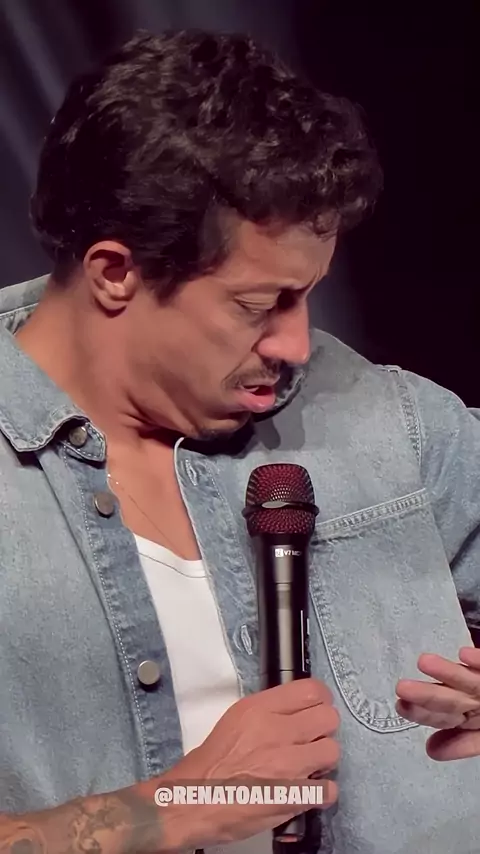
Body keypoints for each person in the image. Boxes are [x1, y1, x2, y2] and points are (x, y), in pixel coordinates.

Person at [0, 28, 479, 854]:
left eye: (309, 294)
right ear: (116, 272)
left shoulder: (379, 416)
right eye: (259, 305)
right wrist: (173, 809)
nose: (296, 343)